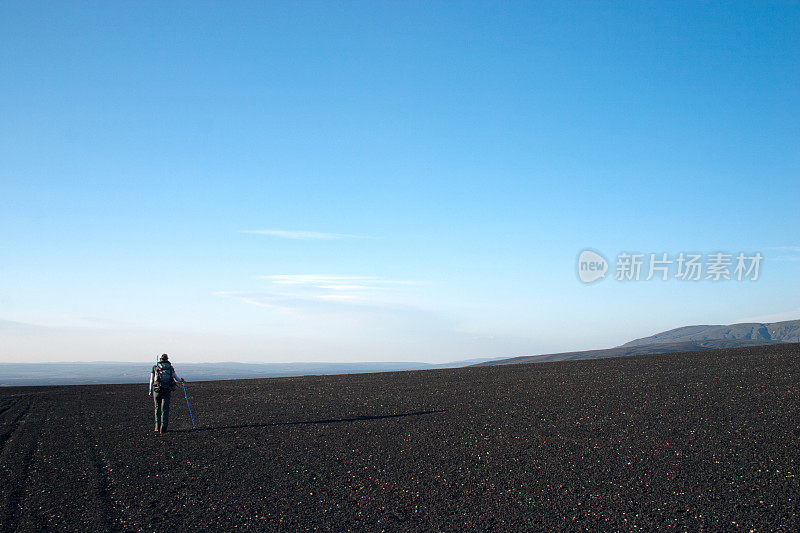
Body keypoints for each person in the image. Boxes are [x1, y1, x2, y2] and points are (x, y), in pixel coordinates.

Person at [149, 353, 183, 434]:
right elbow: (176, 378)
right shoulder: (170, 367)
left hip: (157, 390)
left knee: (157, 408)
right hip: (166, 390)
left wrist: (150, 390)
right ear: (167, 359)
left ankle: (157, 427)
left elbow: (151, 380)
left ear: (160, 359)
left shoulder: (155, 367)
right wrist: (181, 380)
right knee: (165, 409)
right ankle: (163, 428)